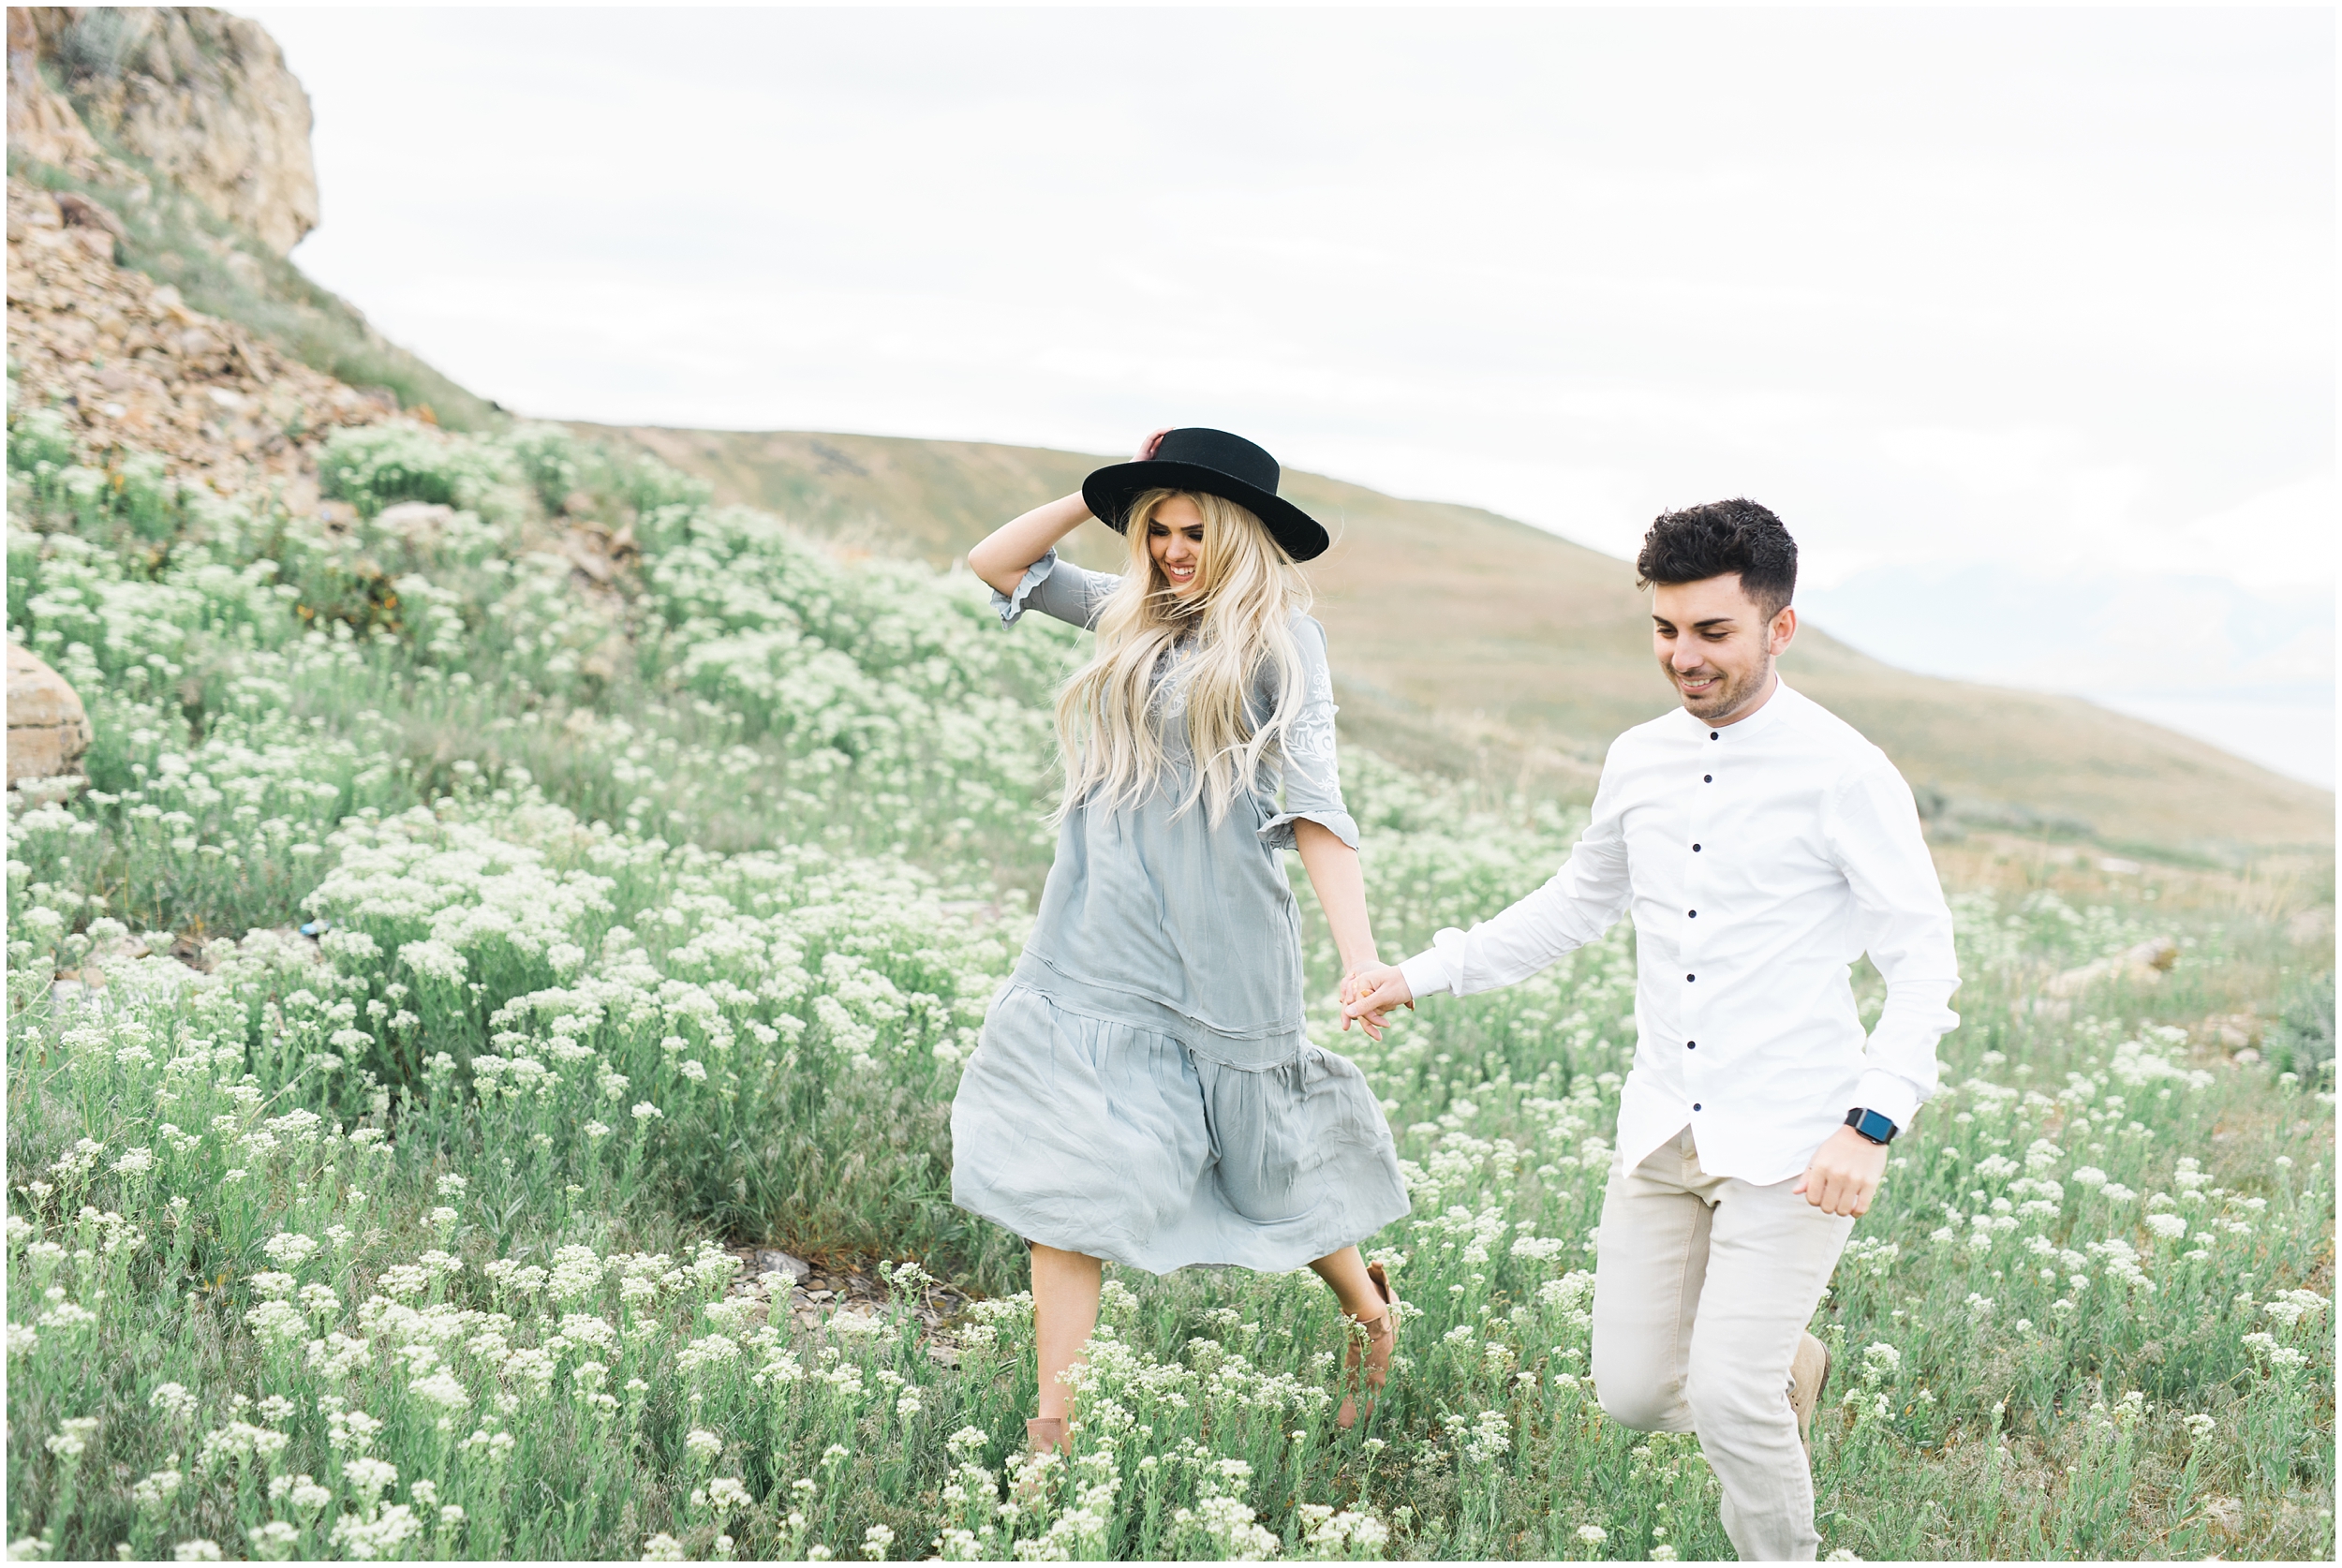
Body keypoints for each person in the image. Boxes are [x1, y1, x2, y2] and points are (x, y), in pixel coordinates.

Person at [1343, 498, 1960, 1562]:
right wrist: (1422, 974)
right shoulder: (1636, 757)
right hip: (1661, 1128)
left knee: (1725, 1398)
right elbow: (1576, 902)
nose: (1683, 656)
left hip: (1794, 1141)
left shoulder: (1845, 771)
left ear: (1779, 627)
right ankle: (1783, 1370)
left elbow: (1924, 963)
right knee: (1633, 1395)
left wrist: (1870, 1124)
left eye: (1711, 632)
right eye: (1665, 630)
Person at [952, 427, 1412, 1455]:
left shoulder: (1283, 642)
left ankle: (1370, 1313)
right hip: (1097, 921)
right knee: (1067, 1172)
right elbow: (996, 561)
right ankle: (1052, 1433)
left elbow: (1319, 809)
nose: (1168, 549)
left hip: (1223, 934)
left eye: (1191, 530)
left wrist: (1360, 957)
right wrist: (1093, 490)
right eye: (1154, 528)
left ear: (1240, 533)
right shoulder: (1127, 616)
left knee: (1264, 1160)